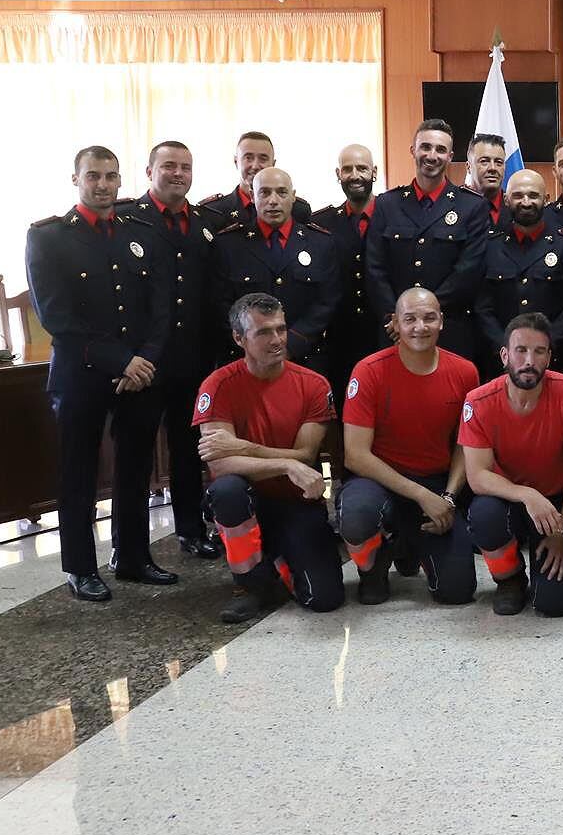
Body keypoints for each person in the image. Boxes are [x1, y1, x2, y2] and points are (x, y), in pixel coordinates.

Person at [25, 145, 175, 600]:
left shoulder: (141, 231)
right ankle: (80, 568)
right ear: (76, 180)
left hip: (140, 374)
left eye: (111, 176)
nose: (104, 185)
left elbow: (160, 307)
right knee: (79, 473)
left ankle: (132, 556)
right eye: (94, 176)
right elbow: (57, 317)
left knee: (135, 468)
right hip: (82, 374)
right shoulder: (49, 237)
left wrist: (143, 359)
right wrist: (120, 360)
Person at [194, 293, 342, 623]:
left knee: (325, 599)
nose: (276, 340)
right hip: (246, 499)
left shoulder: (314, 385)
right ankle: (249, 584)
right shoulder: (217, 386)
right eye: (263, 333)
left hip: (296, 502)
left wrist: (244, 448)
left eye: (281, 329)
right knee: (227, 490)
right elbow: (220, 463)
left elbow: (305, 455)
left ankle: (275, 557)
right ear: (239, 338)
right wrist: (286, 464)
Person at [338, 288, 480, 606]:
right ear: (395, 324)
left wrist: (448, 497)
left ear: (441, 322)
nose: (420, 327)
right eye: (410, 319)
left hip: (435, 482)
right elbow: (355, 454)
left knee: (457, 591)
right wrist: (420, 495)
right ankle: (373, 568)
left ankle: (409, 546)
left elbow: (465, 445)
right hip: (378, 481)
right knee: (357, 515)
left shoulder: (465, 372)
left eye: (429, 318)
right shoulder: (368, 371)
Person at [116, 138, 222, 560]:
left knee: (187, 451)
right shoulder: (127, 220)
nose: (178, 174)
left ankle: (192, 531)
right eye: (169, 166)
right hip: (143, 362)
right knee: (135, 456)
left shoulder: (205, 223)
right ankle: (128, 546)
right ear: (149, 172)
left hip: (192, 360)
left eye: (186, 167)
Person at [460, 312, 563, 617]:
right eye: (521, 350)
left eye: (539, 351)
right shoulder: (478, 401)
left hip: (559, 506)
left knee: (554, 605)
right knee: (483, 514)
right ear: (505, 355)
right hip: (509, 499)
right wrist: (527, 495)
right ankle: (509, 579)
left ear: (549, 357)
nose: (529, 360)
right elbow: (477, 475)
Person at [364, 118, 489, 361]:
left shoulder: (471, 206)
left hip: (449, 330)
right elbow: (374, 267)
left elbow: (468, 270)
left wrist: (423, 317)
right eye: (426, 147)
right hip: (395, 330)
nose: (432, 155)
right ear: (413, 150)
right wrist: (398, 317)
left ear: (450, 156)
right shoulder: (387, 204)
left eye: (441, 150)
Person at [211, 167, 342, 369]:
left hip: (305, 357)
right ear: (253, 197)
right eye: (264, 192)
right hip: (247, 359)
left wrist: (293, 343)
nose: (273, 200)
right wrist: (256, 345)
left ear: (293, 197)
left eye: (282, 192)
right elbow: (221, 303)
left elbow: (327, 301)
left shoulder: (320, 243)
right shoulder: (229, 244)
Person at [473, 168, 563, 378]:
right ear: (506, 199)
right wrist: (506, 348)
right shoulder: (490, 246)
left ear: (546, 199)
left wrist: (543, 348)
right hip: (501, 361)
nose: (526, 202)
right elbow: (482, 306)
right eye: (518, 195)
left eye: (533, 195)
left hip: (554, 360)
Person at [321, 143, 382, 400]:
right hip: (339, 338)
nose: (355, 175)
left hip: (384, 333)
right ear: (338, 174)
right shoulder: (321, 222)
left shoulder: (394, 216)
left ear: (374, 172)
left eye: (362, 168)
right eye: (347, 169)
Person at [199, 130, 312, 228]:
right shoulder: (214, 211)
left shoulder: (298, 210)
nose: (255, 166)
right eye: (248, 158)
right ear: (236, 162)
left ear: (273, 163)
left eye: (263, 159)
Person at [466, 132, 509, 225]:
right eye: (484, 161)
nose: (493, 168)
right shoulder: (454, 205)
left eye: (499, 162)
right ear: (469, 167)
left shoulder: (515, 207)